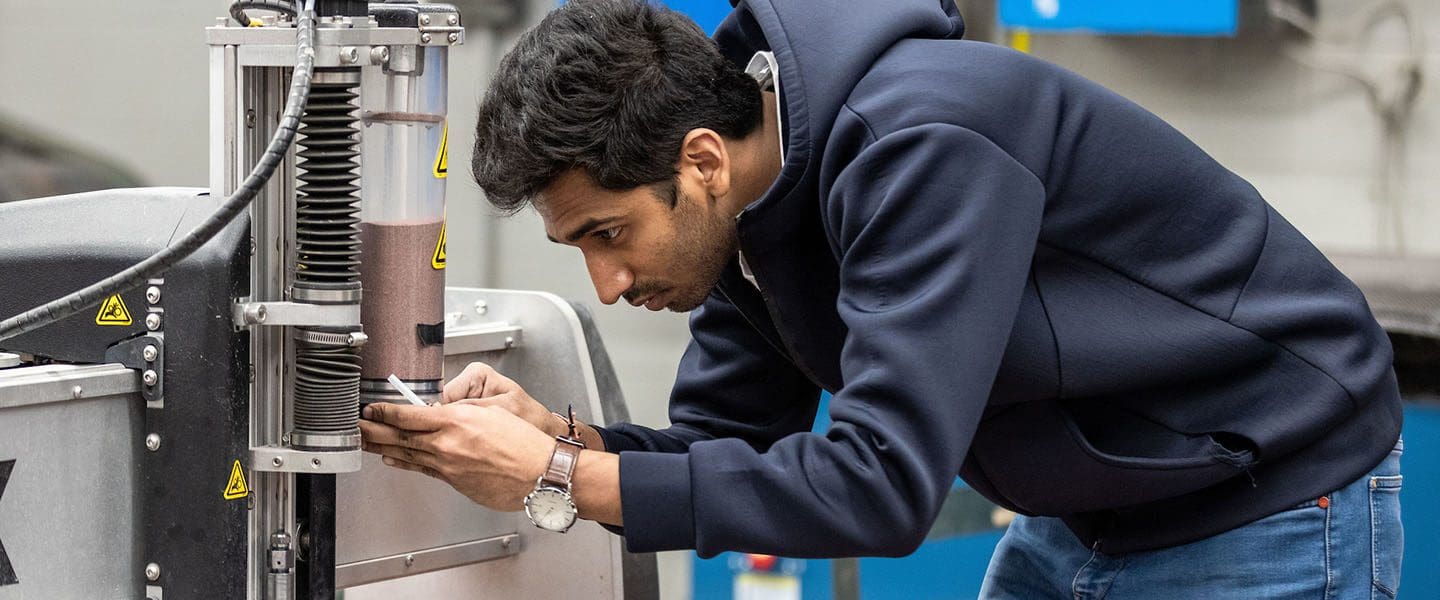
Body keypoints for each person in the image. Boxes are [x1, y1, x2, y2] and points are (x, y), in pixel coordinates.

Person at [358, 0, 1405, 596]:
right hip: (1091, 505)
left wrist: (556, 477)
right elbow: (729, 448)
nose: (607, 282)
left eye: (609, 235)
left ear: (703, 160)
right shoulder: (745, 217)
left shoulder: (921, 148)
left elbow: (881, 488)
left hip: (1260, 496)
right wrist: (569, 438)